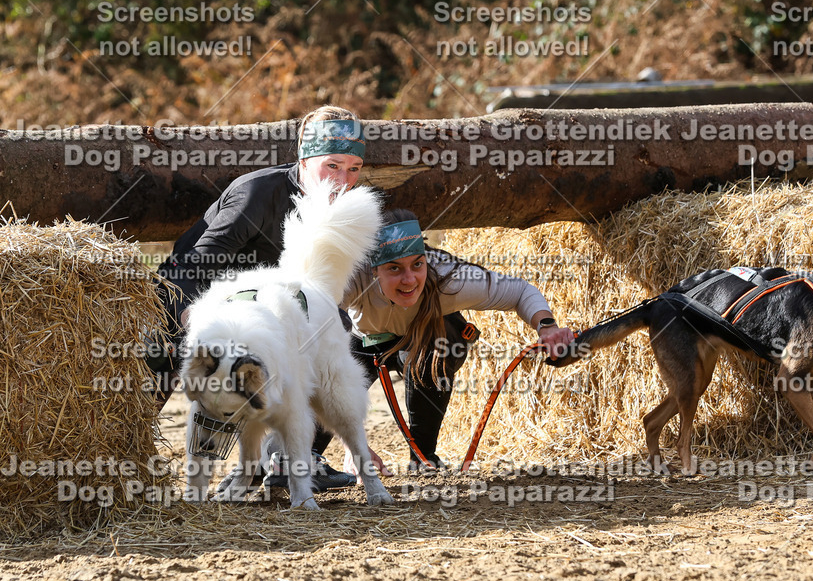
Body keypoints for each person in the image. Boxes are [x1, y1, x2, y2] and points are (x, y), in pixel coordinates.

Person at [150, 104, 367, 491]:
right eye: (332, 166)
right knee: (196, 387)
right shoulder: (258, 192)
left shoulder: (347, 204)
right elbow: (197, 261)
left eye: (353, 168)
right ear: (303, 156)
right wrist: (190, 317)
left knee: (338, 336)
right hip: (192, 296)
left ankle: (290, 460)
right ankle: (160, 469)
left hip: (271, 310)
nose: (343, 180)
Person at [337, 210, 575, 470]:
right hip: (365, 339)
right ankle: (309, 461)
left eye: (417, 265)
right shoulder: (350, 275)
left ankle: (423, 458)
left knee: (438, 352)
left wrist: (547, 327)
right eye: (394, 268)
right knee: (326, 381)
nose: (408, 280)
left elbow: (520, 291)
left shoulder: (449, 278)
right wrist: (353, 444)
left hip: (422, 336)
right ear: (373, 270)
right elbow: (313, 340)